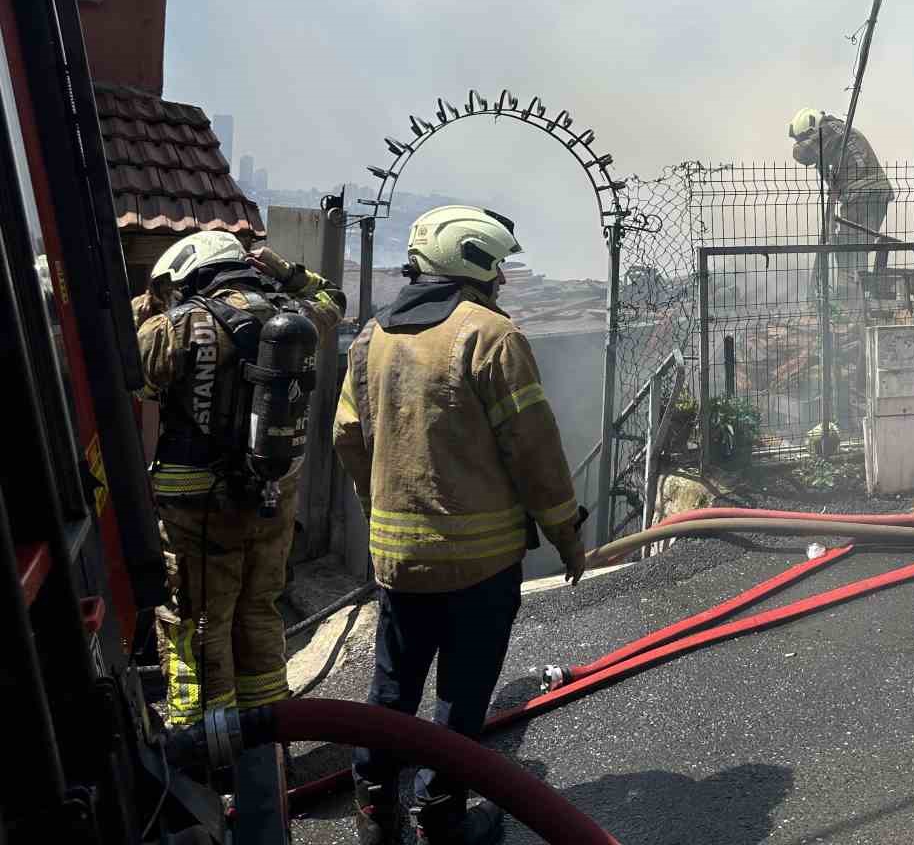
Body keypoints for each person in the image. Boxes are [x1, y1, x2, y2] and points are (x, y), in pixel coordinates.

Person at [333, 205, 586, 845]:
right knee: (460, 696)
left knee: (391, 689)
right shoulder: (490, 336)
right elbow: (534, 449)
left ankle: (374, 811)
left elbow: (347, 436)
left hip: (398, 559)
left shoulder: (371, 339)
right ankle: (441, 818)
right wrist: (565, 532)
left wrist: (382, 512)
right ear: (471, 263)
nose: (502, 280)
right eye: (497, 267)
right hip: (479, 566)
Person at [133, 230, 345, 731]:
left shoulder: (174, 329)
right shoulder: (293, 316)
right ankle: (268, 740)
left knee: (197, 624)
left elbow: (127, 371)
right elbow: (332, 298)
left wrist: (149, 307)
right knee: (259, 611)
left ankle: (204, 743)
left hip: (195, 506)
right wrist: (288, 272)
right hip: (272, 496)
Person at [788, 107, 894, 298]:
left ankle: (848, 300)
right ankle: (859, 301)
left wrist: (799, 146)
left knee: (847, 248)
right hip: (878, 193)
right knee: (859, 247)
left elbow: (803, 154)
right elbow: (830, 172)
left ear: (810, 129)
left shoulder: (828, 129)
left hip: (860, 194)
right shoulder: (838, 133)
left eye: (802, 137)